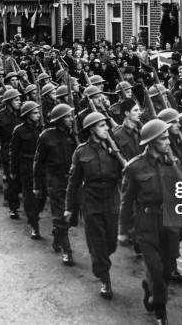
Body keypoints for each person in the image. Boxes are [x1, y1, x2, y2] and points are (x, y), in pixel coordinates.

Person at [120, 119, 180, 324]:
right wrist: (123, 231)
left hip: (169, 222)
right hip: (146, 224)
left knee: (168, 267)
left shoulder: (171, 162)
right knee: (155, 268)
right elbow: (126, 202)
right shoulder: (134, 167)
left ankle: (151, 287)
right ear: (152, 141)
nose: (168, 142)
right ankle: (161, 310)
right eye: (163, 138)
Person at [65, 112, 123, 299]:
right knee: (98, 244)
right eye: (101, 126)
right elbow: (73, 183)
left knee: (111, 242)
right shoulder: (81, 152)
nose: (106, 128)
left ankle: (102, 261)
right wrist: (69, 207)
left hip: (111, 200)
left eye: (106, 125)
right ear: (92, 130)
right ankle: (105, 278)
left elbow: (125, 174)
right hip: (91, 202)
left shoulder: (114, 149)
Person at [34, 104, 78, 266]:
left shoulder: (73, 135)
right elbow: (38, 163)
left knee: (72, 218)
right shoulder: (46, 136)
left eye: (70, 116)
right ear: (58, 120)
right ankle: (67, 251)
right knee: (61, 216)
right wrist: (37, 185)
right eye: (67, 117)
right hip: (55, 181)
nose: (70, 119)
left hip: (72, 182)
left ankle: (57, 234)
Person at [9, 101, 44, 239]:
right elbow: (13, 151)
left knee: (42, 197)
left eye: (38, 113)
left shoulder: (42, 128)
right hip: (27, 167)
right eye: (34, 113)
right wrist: (13, 170)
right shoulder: (19, 130)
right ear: (27, 115)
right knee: (30, 198)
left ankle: (36, 214)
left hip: (41, 167)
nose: (38, 116)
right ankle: (34, 225)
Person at [0, 89, 22, 210]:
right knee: (11, 179)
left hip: (22, 151)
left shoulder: (22, 114)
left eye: (19, 99)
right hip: (7, 151)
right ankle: (13, 208)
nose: (19, 102)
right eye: (16, 100)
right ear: (8, 102)